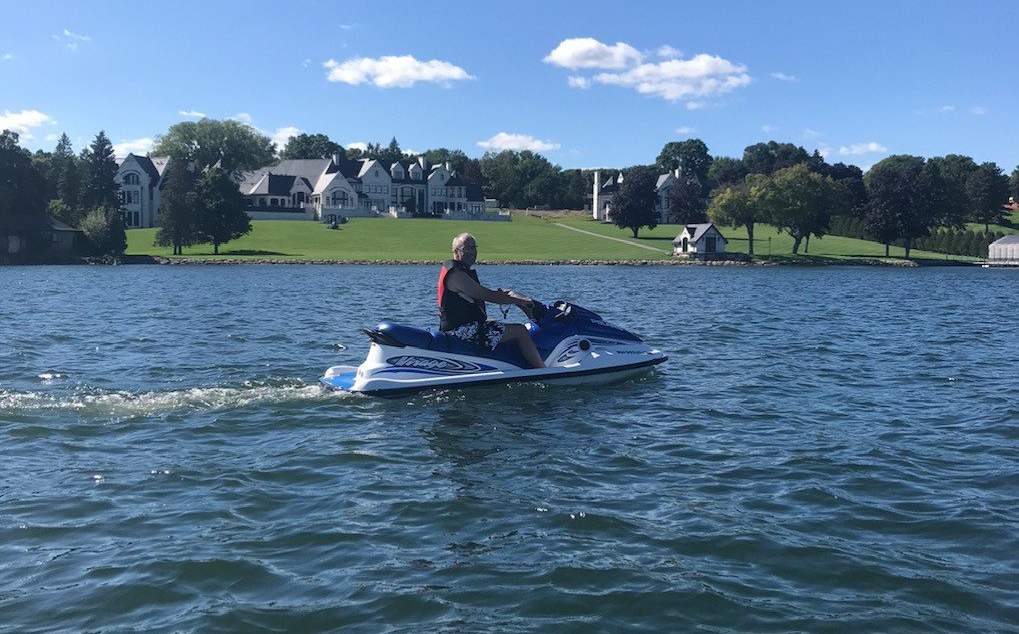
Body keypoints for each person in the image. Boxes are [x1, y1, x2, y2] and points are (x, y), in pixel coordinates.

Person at [438, 233, 546, 368]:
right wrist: (520, 301)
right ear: (456, 251)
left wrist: (506, 294)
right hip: (461, 332)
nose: (472, 252)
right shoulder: (456, 274)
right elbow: (486, 295)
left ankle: (506, 364)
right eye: (467, 248)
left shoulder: (459, 270)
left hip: (463, 327)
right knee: (520, 331)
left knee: (495, 323)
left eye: (474, 248)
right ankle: (542, 369)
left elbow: (479, 294)